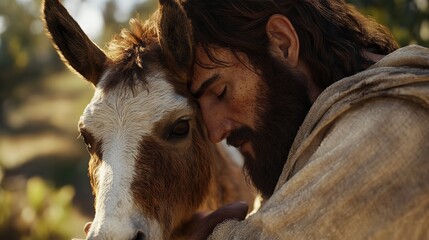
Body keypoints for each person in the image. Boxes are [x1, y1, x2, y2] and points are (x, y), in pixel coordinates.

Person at [158, 0, 429, 239]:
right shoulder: (312, 142)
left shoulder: (393, 123)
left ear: (283, 43)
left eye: (220, 92)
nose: (215, 133)